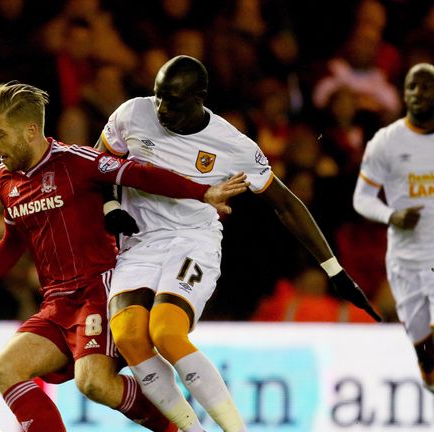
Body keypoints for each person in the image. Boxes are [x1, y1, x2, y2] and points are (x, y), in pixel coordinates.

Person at [0, 81, 248, 432]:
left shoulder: (75, 161)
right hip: (56, 303)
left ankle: (180, 429)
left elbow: (138, 174)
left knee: (94, 383)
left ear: (30, 130)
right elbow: (13, 240)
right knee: (4, 371)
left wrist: (203, 191)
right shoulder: (5, 178)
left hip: (96, 292)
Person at [97, 55, 382, 432]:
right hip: (139, 241)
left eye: (175, 102)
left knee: (166, 332)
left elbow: (285, 203)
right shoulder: (133, 114)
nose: (163, 110)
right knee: (130, 336)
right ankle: (192, 431)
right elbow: (99, 163)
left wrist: (334, 269)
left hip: (191, 242)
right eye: (159, 97)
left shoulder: (233, 145)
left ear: (200, 97)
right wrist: (111, 204)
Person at [353, 63, 434, 393]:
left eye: (425, 87)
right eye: (411, 87)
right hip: (404, 260)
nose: (417, 94)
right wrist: (392, 216)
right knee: (424, 351)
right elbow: (361, 199)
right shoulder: (386, 142)